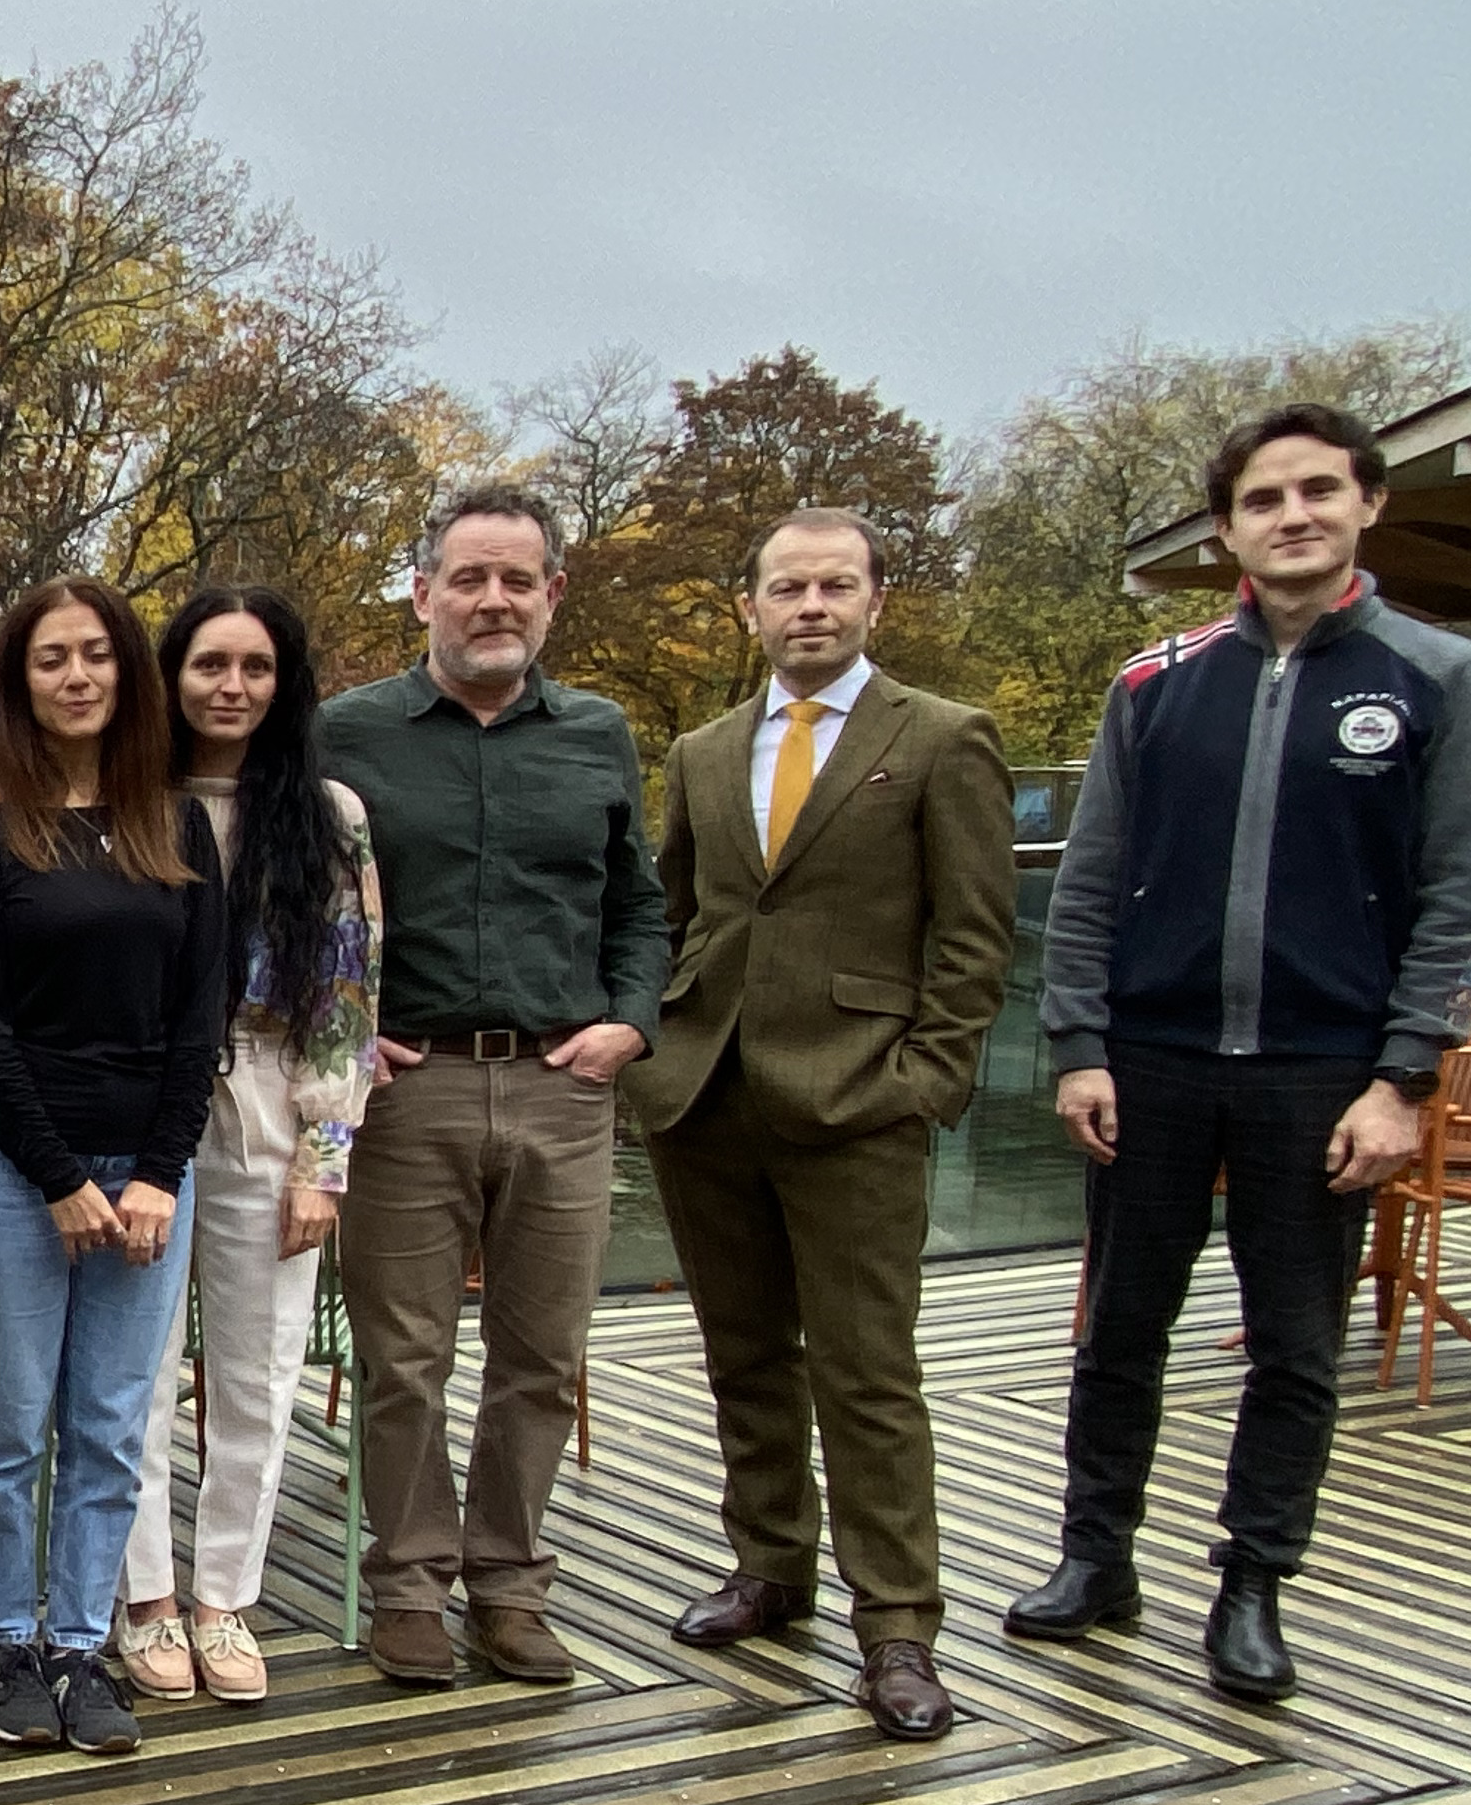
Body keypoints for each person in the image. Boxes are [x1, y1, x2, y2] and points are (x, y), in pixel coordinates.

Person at [1019, 403, 1471, 1698]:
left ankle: (1252, 1585)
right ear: (1231, 524)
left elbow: (1466, 898)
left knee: (1296, 1344)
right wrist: (1077, 1044)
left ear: (1367, 506)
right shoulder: (1157, 682)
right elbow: (1087, 882)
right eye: (1263, 499)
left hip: (1323, 1073)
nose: (1292, 516)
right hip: (1154, 1059)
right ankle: (1096, 1557)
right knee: (1120, 1329)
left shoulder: (1440, 679)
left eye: (1316, 492)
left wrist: (1408, 1075)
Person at [625, 512, 1014, 1739]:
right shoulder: (701, 750)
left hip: (860, 1101)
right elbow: (674, 911)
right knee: (743, 1355)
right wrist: (659, 1053)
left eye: (834, 586)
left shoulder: (943, 739)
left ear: (873, 603)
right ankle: (770, 1567)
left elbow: (974, 935)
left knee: (867, 1373)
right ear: (750, 608)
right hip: (708, 1096)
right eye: (786, 587)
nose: (810, 606)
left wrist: (927, 1082)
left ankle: (898, 1625)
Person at [321, 483, 667, 1689]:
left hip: (562, 1088)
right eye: (467, 577)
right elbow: (295, 905)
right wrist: (344, 1033)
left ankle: (511, 1584)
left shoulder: (599, 734)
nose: (492, 599)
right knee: (402, 1355)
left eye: (517, 578)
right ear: (423, 593)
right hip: (405, 1090)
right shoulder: (346, 733)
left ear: (553, 595)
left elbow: (639, 905)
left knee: (539, 1353)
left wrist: (630, 1023)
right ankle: (409, 1583)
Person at [0, 578, 225, 1755]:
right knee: (6, 1423)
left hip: (147, 1171)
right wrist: (60, 1178)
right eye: (52, 659)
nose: (77, 677)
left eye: (96, 655)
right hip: (12, 1170)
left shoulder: (175, 827)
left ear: (127, 674)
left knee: (109, 1423)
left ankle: (80, 1641)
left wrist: (157, 1171)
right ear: (21, 682)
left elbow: (199, 1020)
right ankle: (6, 1642)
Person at [118, 588, 381, 1706]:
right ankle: (142, 1596)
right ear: (171, 676)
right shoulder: (127, 798)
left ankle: (226, 1593)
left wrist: (328, 1159)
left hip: (272, 1092)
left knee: (259, 1366)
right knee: (131, 1368)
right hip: (139, 1098)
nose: (232, 687)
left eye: (257, 667)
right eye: (210, 664)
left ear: (285, 683)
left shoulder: (327, 813)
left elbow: (348, 988)